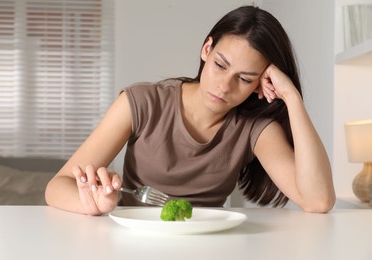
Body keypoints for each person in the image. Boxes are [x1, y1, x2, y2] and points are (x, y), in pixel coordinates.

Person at [45, 6, 336, 216]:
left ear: (261, 84)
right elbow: (57, 187)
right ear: (206, 49)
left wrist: (292, 98)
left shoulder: (253, 129)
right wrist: (95, 204)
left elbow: (318, 201)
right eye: (220, 65)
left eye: (245, 79)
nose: (224, 86)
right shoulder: (142, 102)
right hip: (134, 242)